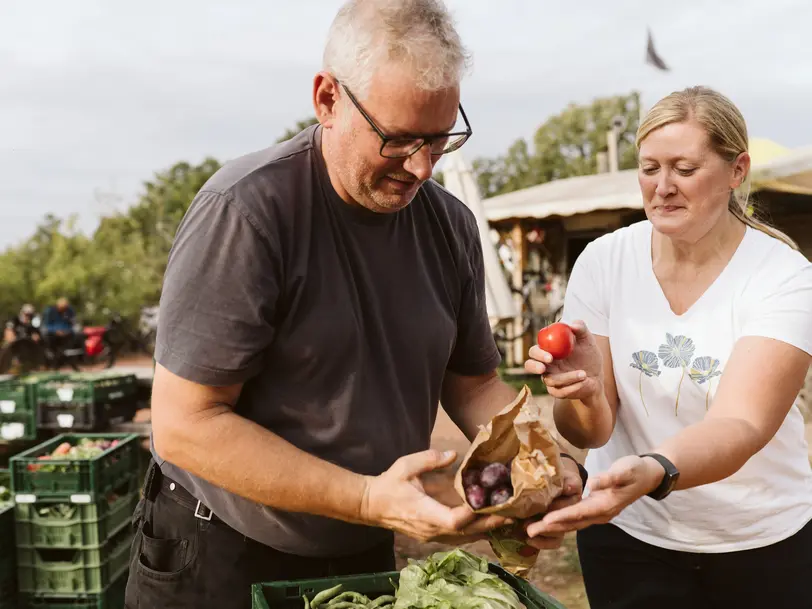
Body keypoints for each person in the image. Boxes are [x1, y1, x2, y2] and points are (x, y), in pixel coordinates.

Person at [125, 2, 584, 608]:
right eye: (397, 140)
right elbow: (186, 425)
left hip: (363, 542)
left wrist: (544, 461)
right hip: (221, 550)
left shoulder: (450, 226)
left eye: (440, 137)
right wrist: (367, 497)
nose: (421, 166)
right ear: (328, 99)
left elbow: (474, 388)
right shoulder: (247, 213)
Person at [524, 86, 812, 609]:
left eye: (684, 168)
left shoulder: (783, 276)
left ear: (737, 170)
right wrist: (585, 394)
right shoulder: (604, 261)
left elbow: (741, 423)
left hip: (761, 539)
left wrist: (657, 468)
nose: (662, 188)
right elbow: (588, 431)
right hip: (630, 536)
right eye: (649, 168)